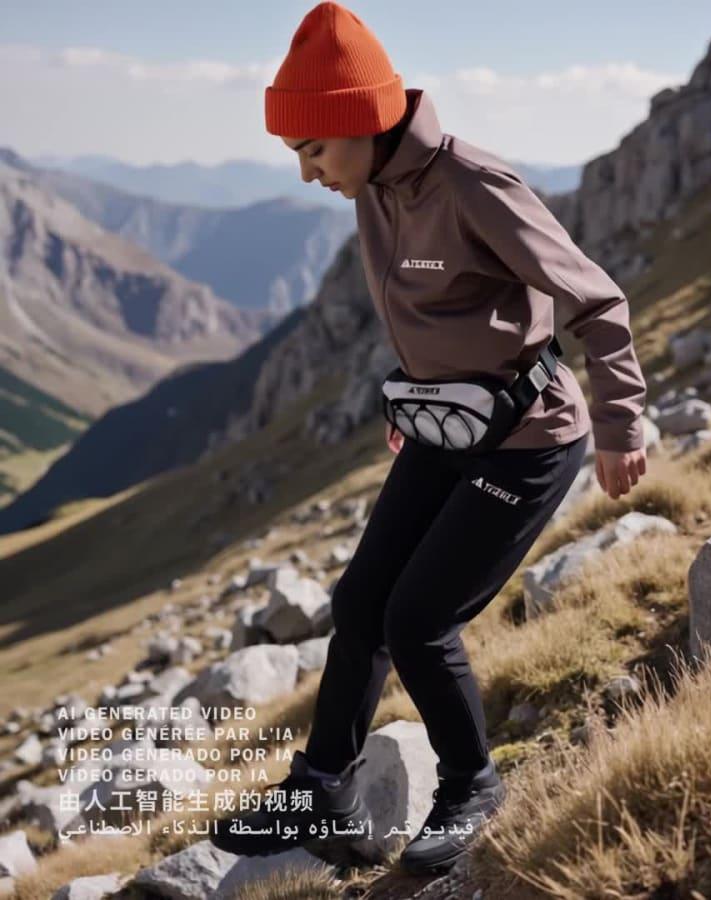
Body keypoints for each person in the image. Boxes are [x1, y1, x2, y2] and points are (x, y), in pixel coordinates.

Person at [210, 0, 648, 875]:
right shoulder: (373, 186)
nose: (306, 174)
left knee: (417, 619)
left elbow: (597, 300)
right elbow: (434, 310)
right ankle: (322, 788)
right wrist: (413, 397)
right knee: (359, 604)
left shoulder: (474, 185)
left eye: (312, 150)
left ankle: (472, 786)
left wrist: (620, 422)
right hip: (447, 428)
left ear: (359, 122)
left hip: (529, 438)